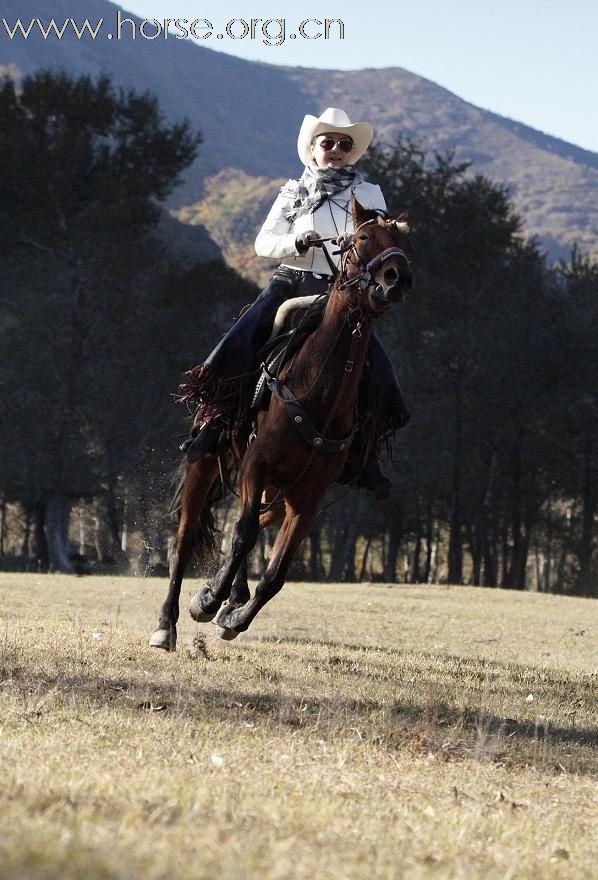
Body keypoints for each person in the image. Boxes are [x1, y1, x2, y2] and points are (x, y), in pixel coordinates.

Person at [178, 108, 409, 498]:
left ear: (352, 152)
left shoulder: (370, 195)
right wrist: (296, 242)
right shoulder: (293, 192)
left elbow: (378, 241)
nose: (335, 149)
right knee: (242, 338)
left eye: (344, 144)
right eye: (328, 142)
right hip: (291, 282)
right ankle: (213, 426)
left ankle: (365, 454)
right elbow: (262, 245)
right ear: (314, 148)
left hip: (342, 292)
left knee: (379, 371)